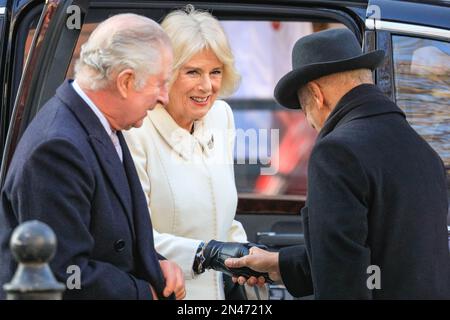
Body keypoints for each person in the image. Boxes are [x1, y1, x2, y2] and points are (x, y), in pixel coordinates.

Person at [225, 28, 450, 299]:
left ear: (316, 94)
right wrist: (280, 264)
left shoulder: (337, 151)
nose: (309, 122)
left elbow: (342, 279)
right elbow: (379, 259)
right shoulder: (423, 151)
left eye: (304, 107)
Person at [0, 14, 185, 300]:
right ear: (125, 82)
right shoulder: (58, 148)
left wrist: (156, 263)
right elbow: (63, 274)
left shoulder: (99, 122)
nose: (164, 97)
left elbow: (111, 234)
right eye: (160, 83)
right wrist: (142, 293)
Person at [124, 7, 267, 300]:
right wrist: (205, 253)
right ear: (166, 73)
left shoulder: (221, 116)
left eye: (215, 72)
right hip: (167, 292)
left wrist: (249, 257)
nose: (207, 86)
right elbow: (133, 238)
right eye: (193, 72)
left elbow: (223, 219)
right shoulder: (136, 131)